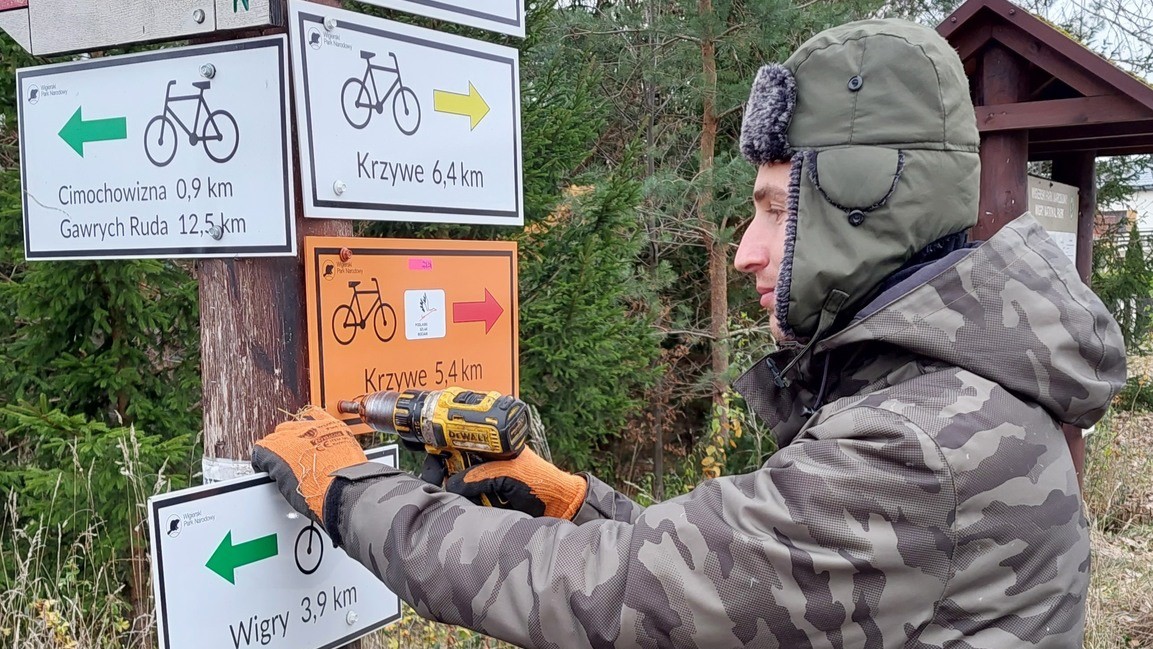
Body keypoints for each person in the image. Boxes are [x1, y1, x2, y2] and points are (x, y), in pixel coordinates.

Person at [254, 18, 1126, 648]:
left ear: (863, 208)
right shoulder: (942, 393)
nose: (745, 251)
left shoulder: (920, 442)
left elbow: (616, 598)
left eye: (776, 210)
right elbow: (741, 582)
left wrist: (351, 493)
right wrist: (571, 500)